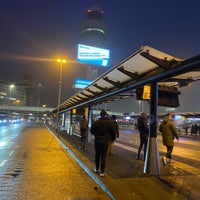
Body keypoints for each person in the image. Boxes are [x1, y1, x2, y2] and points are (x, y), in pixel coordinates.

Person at [90, 110, 115, 177]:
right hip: (105, 141)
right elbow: (113, 132)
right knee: (103, 156)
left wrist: (95, 135)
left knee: (97, 155)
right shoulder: (109, 123)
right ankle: (102, 171)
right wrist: (112, 139)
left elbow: (91, 130)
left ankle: (97, 169)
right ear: (105, 115)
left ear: (100, 115)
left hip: (97, 140)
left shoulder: (96, 122)